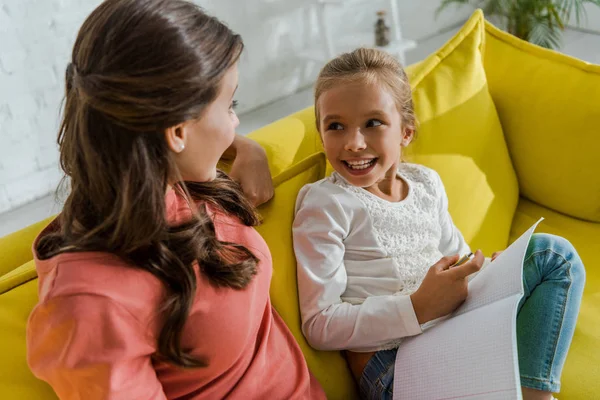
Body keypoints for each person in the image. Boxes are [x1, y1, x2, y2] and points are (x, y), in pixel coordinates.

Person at [26, 1, 326, 399]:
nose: (236, 122)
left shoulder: (167, 178)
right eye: (231, 105)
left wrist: (247, 149)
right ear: (177, 131)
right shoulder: (90, 304)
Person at [292, 48, 585, 400]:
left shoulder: (427, 184)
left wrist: (487, 271)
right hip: (393, 365)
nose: (353, 143)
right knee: (554, 255)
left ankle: (527, 391)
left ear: (406, 132)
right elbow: (319, 324)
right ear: (321, 134)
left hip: (455, 332)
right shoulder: (325, 203)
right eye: (335, 126)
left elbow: (457, 259)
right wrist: (417, 307)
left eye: (373, 123)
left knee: (552, 259)